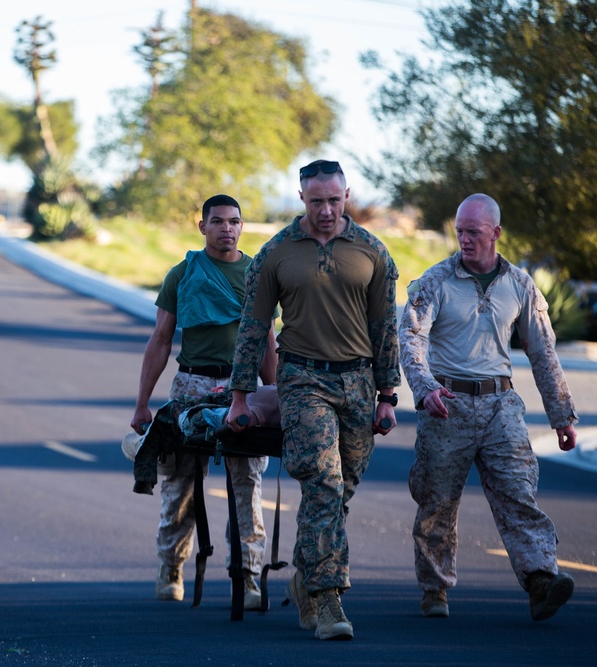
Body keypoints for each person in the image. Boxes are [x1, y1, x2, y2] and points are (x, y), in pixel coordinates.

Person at [225, 160, 400, 641]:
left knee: (340, 493)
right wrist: (240, 397)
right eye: (316, 200)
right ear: (301, 198)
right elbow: (253, 329)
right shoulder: (275, 253)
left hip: (360, 383)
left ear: (348, 196)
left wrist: (388, 395)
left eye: (335, 200)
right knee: (323, 482)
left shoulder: (372, 251)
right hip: (302, 380)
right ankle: (328, 601)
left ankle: (305, 575)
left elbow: (385, 329)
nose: (326, 210)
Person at [399, 193, 578, 622]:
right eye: (459, 231)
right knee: (437, 502)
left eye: (473, 232)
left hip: (500, 405)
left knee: (518, 492)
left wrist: (562, 416)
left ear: (495, 233)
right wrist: (425, 389)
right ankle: (435, 589)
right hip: (448, 403)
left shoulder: (519, 285)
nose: (464, 239)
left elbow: (544, 353)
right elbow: (411, 339)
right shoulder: (435, 281)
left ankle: (540, 581)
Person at [131, 194, 277, 610]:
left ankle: (248, 577)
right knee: (179, 485)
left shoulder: (257, 275)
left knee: (246, 483)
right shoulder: (183, 274)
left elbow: (268, 342)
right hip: (192, 385)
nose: (226, 229)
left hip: (242, 389)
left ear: (242, 227)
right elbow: (160, 340)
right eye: (217, 222)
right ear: (202, 227)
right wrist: (142, 405)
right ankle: (170, 568)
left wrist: (277, 400)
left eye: (234, 221)